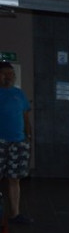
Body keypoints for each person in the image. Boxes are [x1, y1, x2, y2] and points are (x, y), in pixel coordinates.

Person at [0, 61, 33, 224]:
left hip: (19, 142)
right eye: (5, 73)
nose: (9, 76)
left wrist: (29, 136)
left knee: (15, 179)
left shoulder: (19, 94)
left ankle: (15, 214)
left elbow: (25, 117)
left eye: (11, 74)